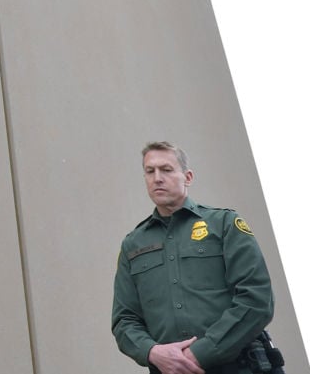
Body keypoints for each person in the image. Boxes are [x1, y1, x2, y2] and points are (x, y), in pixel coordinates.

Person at [112, 141, 275, 374]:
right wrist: (152, 352)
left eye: (166, 170)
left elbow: (256, 299)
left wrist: (198, 354)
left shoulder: (224, 224)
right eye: (150, 171)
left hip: (235, 367)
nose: (157, 178)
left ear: (187, 177)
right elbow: (124, 320)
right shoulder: (133, 244)